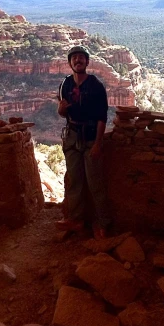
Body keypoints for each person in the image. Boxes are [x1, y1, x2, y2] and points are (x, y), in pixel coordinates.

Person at [56, 45, 111, 237]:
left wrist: (98, 143)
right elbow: (62, 113)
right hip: (72, 136)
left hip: (90, 138)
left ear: (87, 62)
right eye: (74, 58)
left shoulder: (96, 86)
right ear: (70, 62)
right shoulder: (66, 84)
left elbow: (102, 118)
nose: (78, 61)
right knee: (75, 181)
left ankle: (103, 222)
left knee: (95, 183)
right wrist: (61, 109)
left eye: (81, 58)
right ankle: (76, 219)